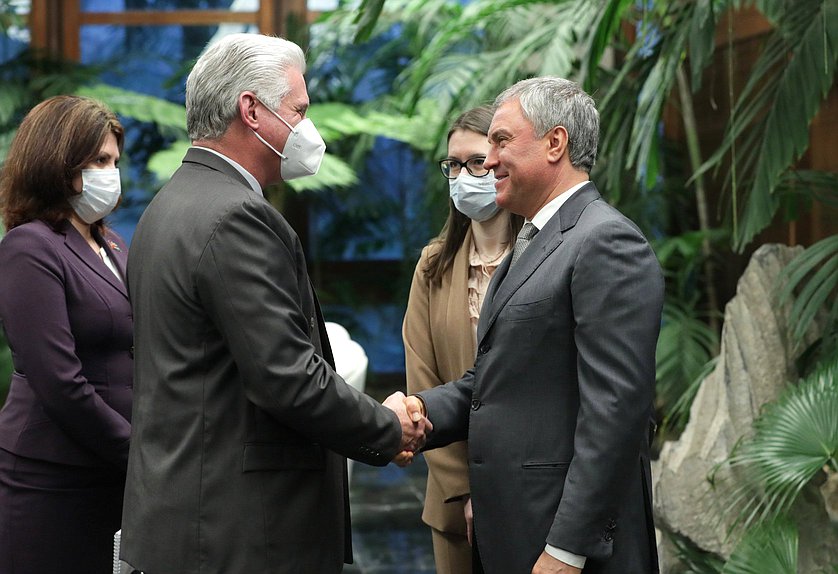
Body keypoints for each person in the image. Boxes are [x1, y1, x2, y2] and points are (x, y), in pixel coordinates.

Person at [119, 33, 429, 574]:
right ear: (252, 110)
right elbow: (287, 377)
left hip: (189, 520)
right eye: (299, 110)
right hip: (238, 533)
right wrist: (386, 426)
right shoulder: (234, 216)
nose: (309, 128)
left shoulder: (169, 204)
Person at [405, 77, 664, 574]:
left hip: (563, 551)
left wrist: (568, 550)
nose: (490, 159)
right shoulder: (533, 240)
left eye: (501, 141)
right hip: (512, 536)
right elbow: (494, 383)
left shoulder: (605, 242)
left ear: (555, 143)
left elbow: (614, 416)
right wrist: (418, 410)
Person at [0, 95, 130, 574]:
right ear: (57, 161)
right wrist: (138, 449)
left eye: (114, 160)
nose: (110, 172)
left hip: (110, 475)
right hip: (52, 479)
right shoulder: (29, 247)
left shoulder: (111, 243)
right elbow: (58, 381)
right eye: (98, 160)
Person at [403, 105, 522, 574]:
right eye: (453, 165)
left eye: (475, 162)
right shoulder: (434, 266)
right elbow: (423, 381)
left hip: (530, 490)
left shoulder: (543, 256)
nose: (462, 176)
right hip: (454, 499)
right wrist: (466, 490)